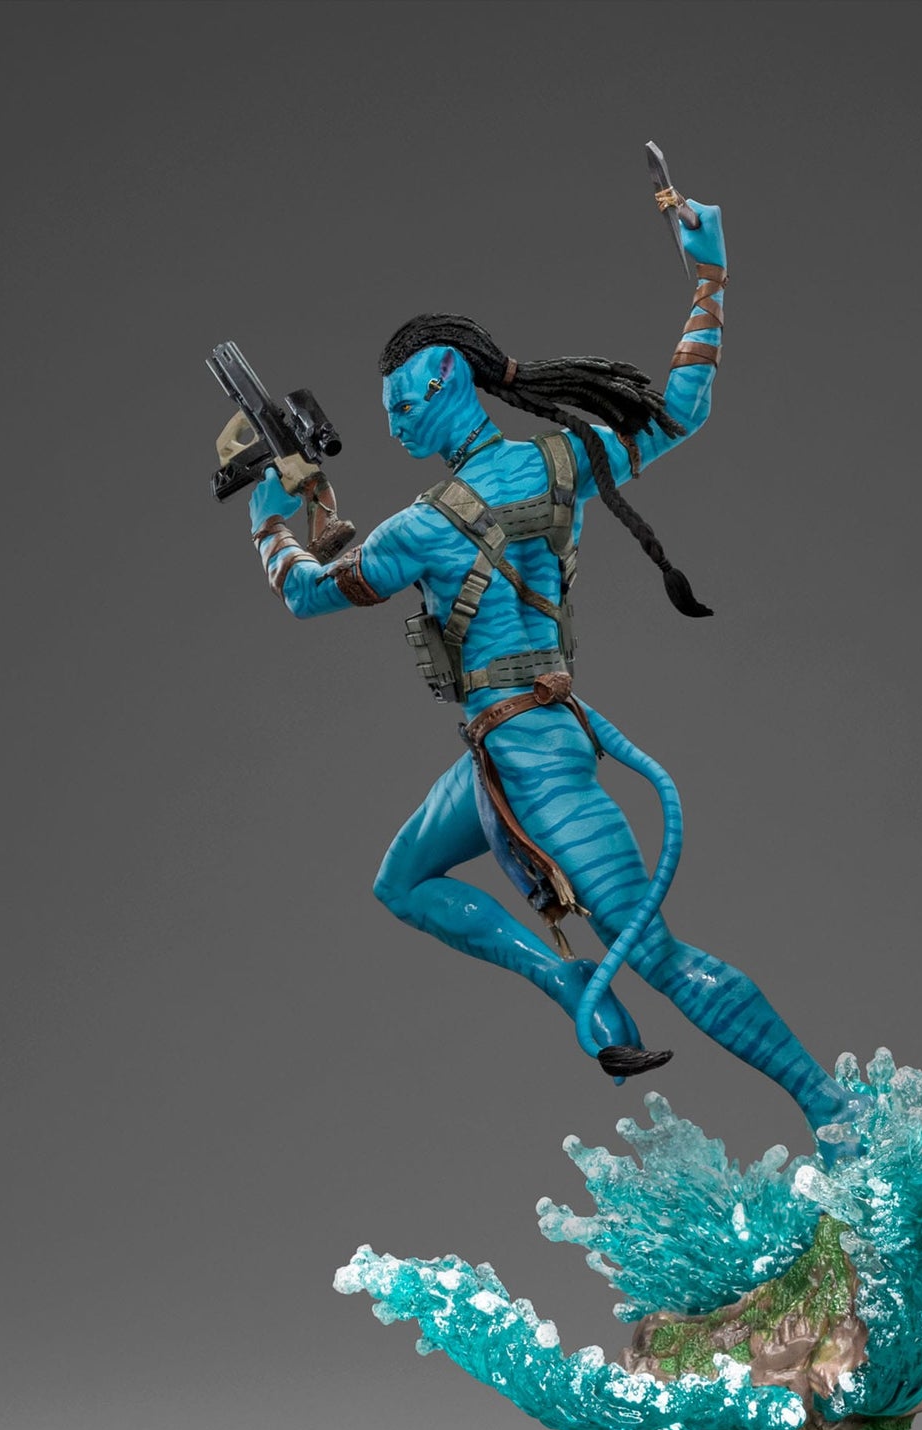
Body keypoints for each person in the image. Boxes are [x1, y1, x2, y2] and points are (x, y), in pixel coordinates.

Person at [243, 200, 852, 1136]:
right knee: (402, 882)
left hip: (535, 758)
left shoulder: (422, 525)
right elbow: (683, 410)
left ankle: (831, 1107)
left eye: (403, 401)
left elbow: (305, 595)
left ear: (447, 376)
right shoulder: (562, 461)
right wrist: (710, 280)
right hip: (511, 743)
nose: (395, 423)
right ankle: (566, 980)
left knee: (656, 953)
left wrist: (266, 523)